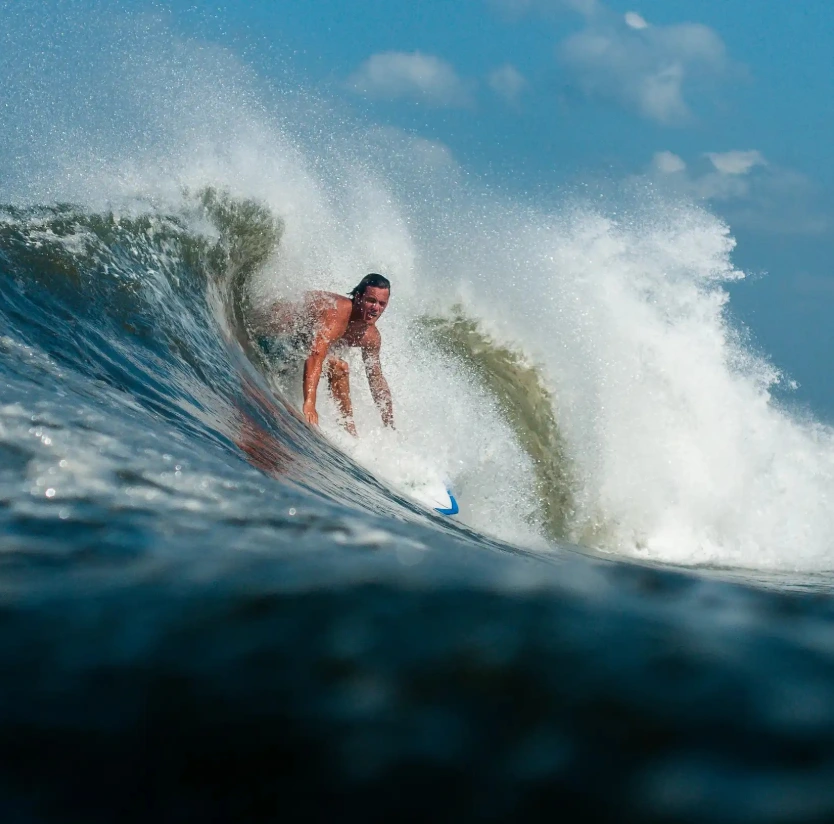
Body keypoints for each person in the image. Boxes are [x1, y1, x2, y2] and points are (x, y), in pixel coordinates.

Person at [255, 273, 394, 436]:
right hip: (273, 332)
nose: (376, 308)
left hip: (295, 346)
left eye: (381, 304)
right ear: (358, 297)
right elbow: (316, 355)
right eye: (371, 300)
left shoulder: (371, 336)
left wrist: (389, 423)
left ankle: (349, 432)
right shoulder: (338, 312)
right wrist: (309, 404)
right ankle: (340, 427)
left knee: (339, 367)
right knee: (338, 365)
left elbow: (376, 379)